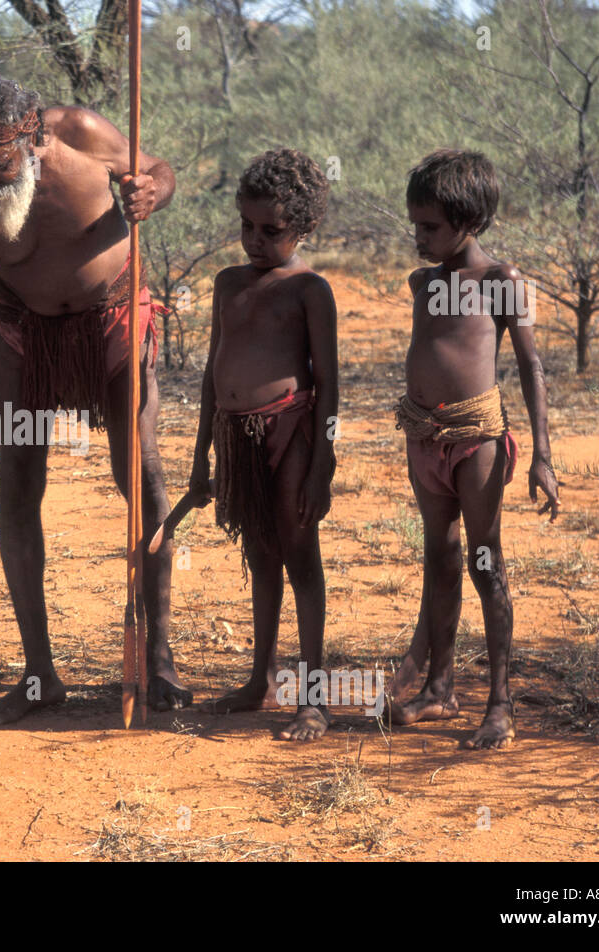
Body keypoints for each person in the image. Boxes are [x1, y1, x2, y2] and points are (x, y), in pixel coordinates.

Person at [0, 69, 192, 725]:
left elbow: (158, 169)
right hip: (26, 333)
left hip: (111, 320)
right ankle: (39, 673)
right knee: (17, 480)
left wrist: (152, 192)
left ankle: (159, 658)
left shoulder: (82, 134)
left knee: (138, 474)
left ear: (31, 137)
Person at [387, 149, 560, 749]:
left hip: (479, 442)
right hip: (424, 439)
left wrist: (542, 454)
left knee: (487, 566)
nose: (419, 237)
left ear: (470, 220)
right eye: (415, 224)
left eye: (430, 227)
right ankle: (439, 689)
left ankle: (501, 705)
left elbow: (531, 364)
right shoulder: (423, 284)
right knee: (439, 558)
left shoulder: (503, 282)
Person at [189, 149, 339, 741]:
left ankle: (314, 696)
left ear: (305, 227)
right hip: (235, 437)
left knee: (300, 555)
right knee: (259, 555)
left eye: (271, 230)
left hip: (291, 432)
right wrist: (201, 453)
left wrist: (321, 464)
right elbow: (211, 370)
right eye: (246, 226)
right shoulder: (228, 284)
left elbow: (328, 384)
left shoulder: (309, 290)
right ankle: (261, 679)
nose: (255, 239)